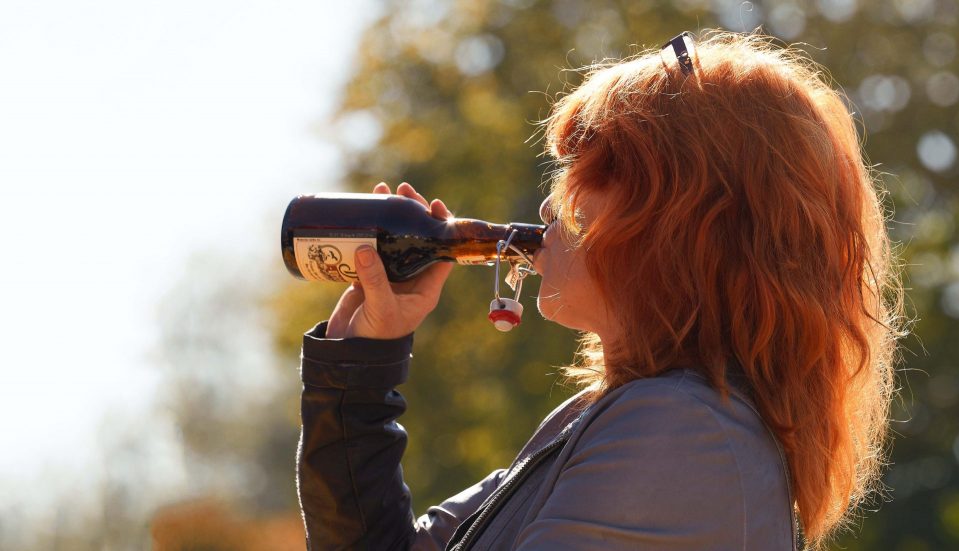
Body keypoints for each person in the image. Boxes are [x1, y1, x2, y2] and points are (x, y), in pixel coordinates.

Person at [294, 30, 906, 551]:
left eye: (591, 172)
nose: (551, 205)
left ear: (686, 222)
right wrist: (361, 367)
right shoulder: (616, 416)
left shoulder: (681, 430)